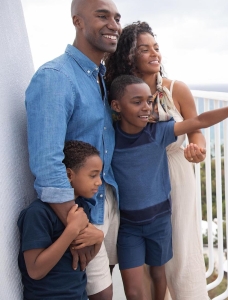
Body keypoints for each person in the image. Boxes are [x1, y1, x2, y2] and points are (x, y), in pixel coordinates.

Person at [108, 74, 228, 300]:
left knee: (158, 276)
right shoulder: (110, 138)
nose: (146, 108)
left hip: (159, 222)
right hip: (129, 227)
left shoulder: (158, 133)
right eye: (137, 102)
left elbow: (199, 121)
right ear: (116, 106)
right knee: (133, 290)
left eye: (149, 101)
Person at [24, 0, 121, 298]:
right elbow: (47, 163)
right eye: (102, 16)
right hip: (78, 214)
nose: (113, 25)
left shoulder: (99, 78)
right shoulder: (56, 77)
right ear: (78, 22)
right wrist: (80, 226)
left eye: (117, 17)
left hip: (106, 203)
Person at [104, 21, 206, 299]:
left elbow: (196, 128)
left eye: (157, 48)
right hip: (138, 181)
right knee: (148, 258)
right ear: (129, 56)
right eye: (144, 49)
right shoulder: (117, 92)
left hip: (176, 173)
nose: (155, 54)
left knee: (181, 249)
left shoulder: (177, 89)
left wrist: (197, 149)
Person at [18, 141, 105, 299]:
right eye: (93, 175)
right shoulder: (38, 213)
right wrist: (72, 230)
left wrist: (98, 239)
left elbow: (83, 259)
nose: (99, 181)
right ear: (69, 175)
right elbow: (35, 271)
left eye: (99, 175)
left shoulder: (80, 208)